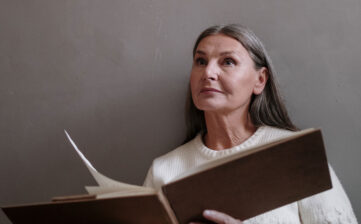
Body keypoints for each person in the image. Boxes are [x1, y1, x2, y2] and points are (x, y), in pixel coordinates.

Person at [143, 24, 358, 224]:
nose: (208, 73)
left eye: (228, 61)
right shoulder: (164, 171)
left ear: (260, 80)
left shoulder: (296, 156)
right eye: (201, 61)